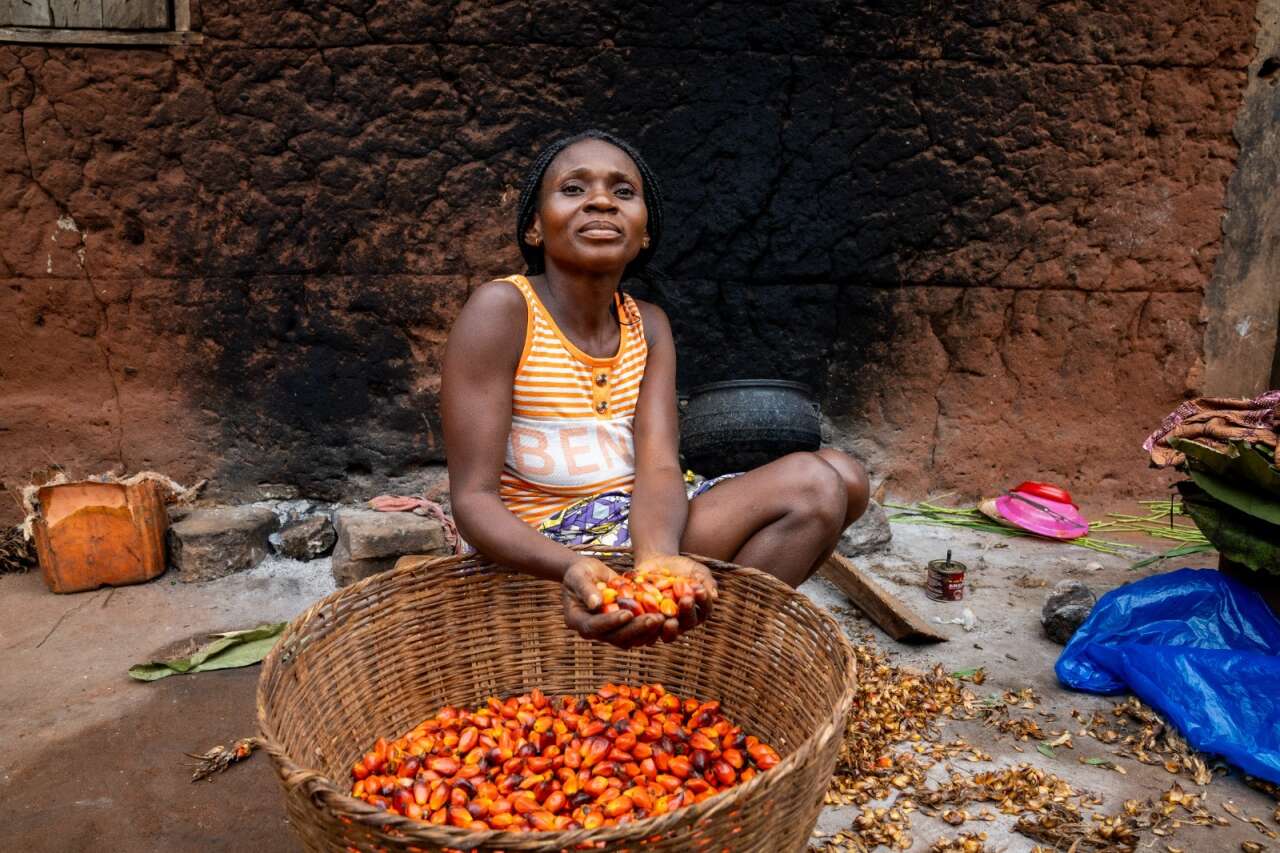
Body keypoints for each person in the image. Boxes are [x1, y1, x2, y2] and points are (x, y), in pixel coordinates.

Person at [441, 130, 869, 649]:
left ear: (645, 232)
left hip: (641, 518)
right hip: (547, 543)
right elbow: (473, 500)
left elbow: (660, 465)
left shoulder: (649, 324)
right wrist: (575, 568)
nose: (601, 200)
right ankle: (715, 651)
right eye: (574, 189)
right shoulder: (502, 310)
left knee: (845, 476)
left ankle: (695, 639)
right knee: (812, 483)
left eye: (623, 192)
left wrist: (658, 558)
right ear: (534, 226)